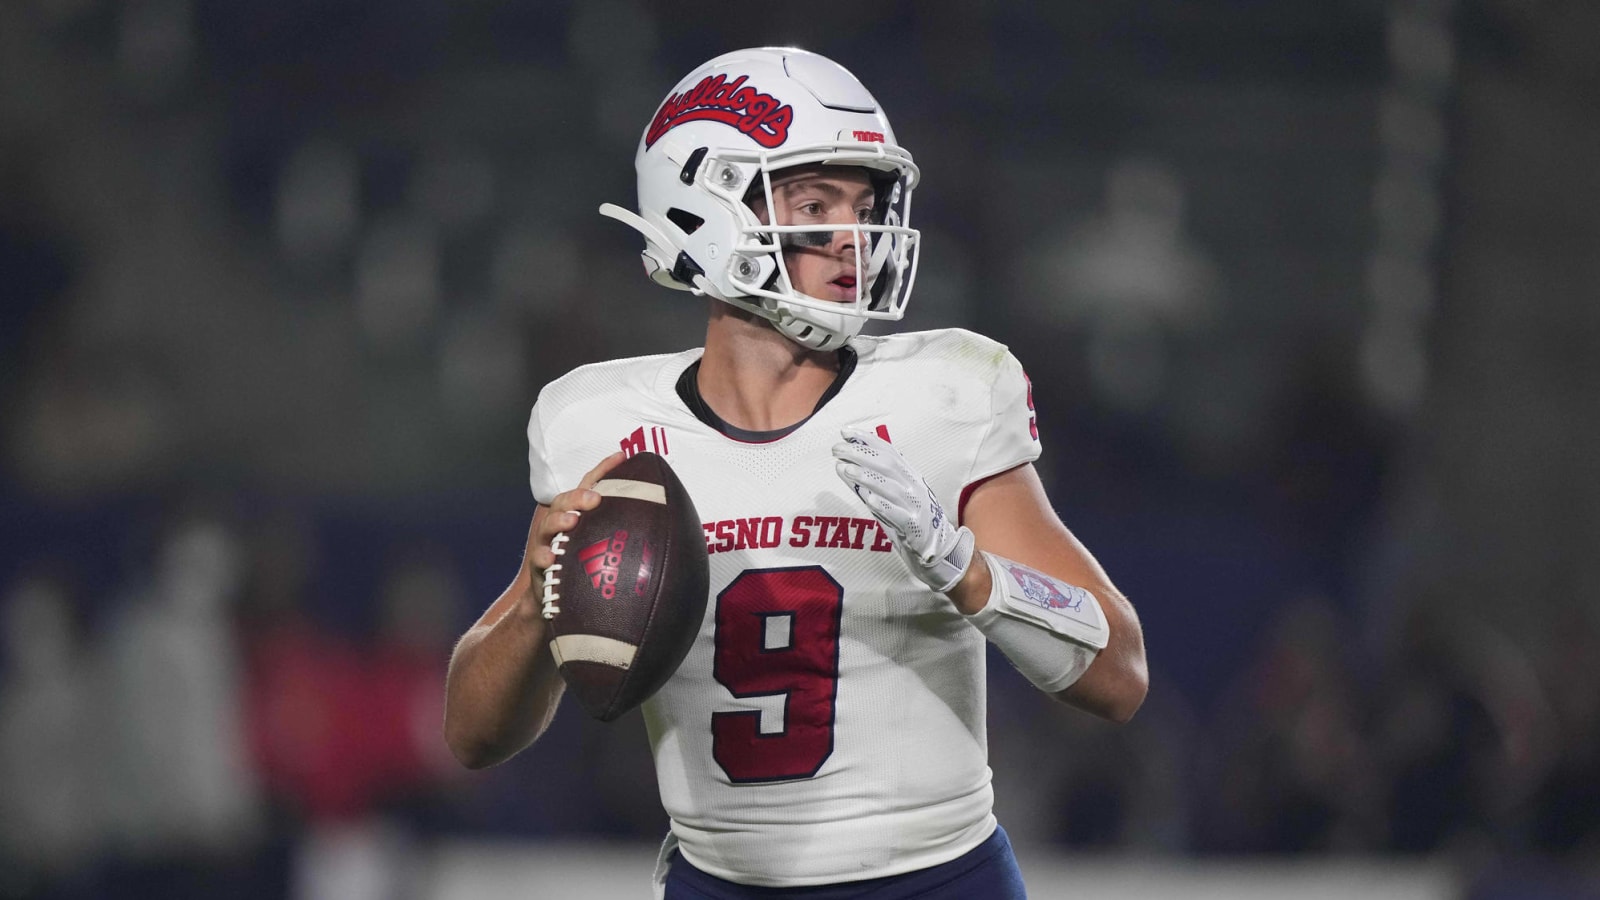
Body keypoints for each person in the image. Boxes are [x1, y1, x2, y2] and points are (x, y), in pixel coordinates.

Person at [444, 47, 1149, 898]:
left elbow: (1120, 674)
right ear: (703, 209)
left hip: (935, 880)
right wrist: (533, 599)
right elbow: (473, 737)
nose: (854, 239)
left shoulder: (945, 395)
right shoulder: (597, 427)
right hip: (720, 882)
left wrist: (969, 571)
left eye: (865, 205)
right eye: (815, 204)